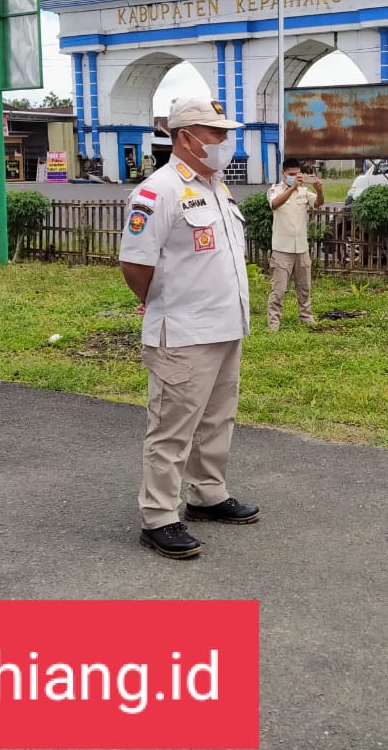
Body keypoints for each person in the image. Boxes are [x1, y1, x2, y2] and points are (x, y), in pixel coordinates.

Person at [118, 96, 258, 560]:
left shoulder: (217, 188)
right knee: (172, 428)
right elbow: (135, 265)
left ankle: (207, 495)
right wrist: (166, 304)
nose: (224, 141)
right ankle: (159, 516)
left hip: (226, 326)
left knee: (218, 418)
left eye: (224, 132)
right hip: (182, 332)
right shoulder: (158, 192)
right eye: (215, 133)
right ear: (185, 137)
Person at [265, 157, 323, 330]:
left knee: (304, 287)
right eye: (291, 174)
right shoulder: (275, 190)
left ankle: (306, 317)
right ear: (283, 173)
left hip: (301, 248)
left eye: (297, 175)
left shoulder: (304, 192)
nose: (295, 177)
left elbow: (318, 203)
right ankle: (274, 323)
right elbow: (275, 204)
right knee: (279, 289)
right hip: (282, 249)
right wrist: (292, 188)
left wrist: (319, 191)